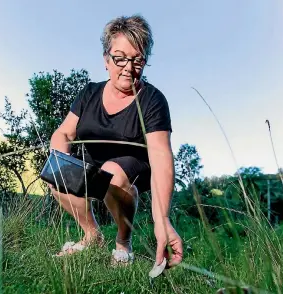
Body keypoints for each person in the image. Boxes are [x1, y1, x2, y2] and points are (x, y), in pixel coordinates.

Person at [48, 14, 183, 268]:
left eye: (137, 60)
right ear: (106, 60)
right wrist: (59, 161)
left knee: (113, 172)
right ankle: (92, 236)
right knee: (56, 173)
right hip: (93, 168)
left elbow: (161, 156)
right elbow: (64, 133)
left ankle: (123, 244)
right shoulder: (89, 93)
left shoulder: (153, 101)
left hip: (131, 171)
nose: (128, 68)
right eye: (119, 58)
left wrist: (162, 220)